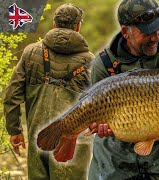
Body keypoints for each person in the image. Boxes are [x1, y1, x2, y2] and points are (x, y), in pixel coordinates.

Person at [88, 0, 159, 179]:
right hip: (116, 146)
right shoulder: (103, 64)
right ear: (126, 32)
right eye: (147, 32)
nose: (156, 37)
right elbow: (98, 119)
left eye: (158, 29)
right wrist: (101, 127)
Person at [4, 3, 94, 180]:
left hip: (38, 139)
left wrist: (14, 130)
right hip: (73, 146)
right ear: (78, 27)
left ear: (54, 24)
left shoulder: (31, 53)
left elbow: (12, 94)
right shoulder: (90, 61)